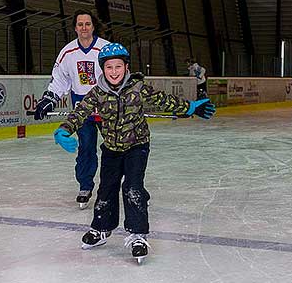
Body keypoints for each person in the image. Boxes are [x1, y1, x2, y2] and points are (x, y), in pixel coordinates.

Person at [52, 43, 216, 262]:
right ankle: (101, 229)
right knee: (106, 189)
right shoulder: (97, 93)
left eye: (118, 66)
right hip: (111, 148)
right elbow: (80, 112)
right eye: (109, 67)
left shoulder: (138, 88)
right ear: (103, 69)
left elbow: (164, 100)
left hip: (137, 147)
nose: (113, 71)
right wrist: (63, 131)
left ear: (126, 67)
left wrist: (191, 107)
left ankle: (138, 234)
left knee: (132, 188)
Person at [33, 9, 109, 209]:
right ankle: (85, 185)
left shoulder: (106, 49)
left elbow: (117, 74)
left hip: (106, 106)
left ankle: (127, 186)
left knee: (116, 148)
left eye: (88, 24)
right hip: (81, 107)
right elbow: (60, 80)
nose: (84, 28)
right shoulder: (67, 52)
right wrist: (48, 100)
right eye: (80, 24)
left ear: (94, 26)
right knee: (86, 148)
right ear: (75, 27)